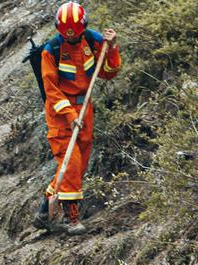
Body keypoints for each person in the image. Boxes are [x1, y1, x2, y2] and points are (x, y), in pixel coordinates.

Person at [39, 1, 121, 233]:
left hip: (85, 110)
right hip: (60, 113)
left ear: (83, 28)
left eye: (75, 35)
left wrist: (112, 48)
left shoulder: (94, 41)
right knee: (72, 162)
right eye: (68, 36)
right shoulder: (51, 50)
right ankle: (71, 219)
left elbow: (108, 73)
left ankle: (44, 210)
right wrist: (69, 114)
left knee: (80, 164)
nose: (72, 38)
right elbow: (51, 89)